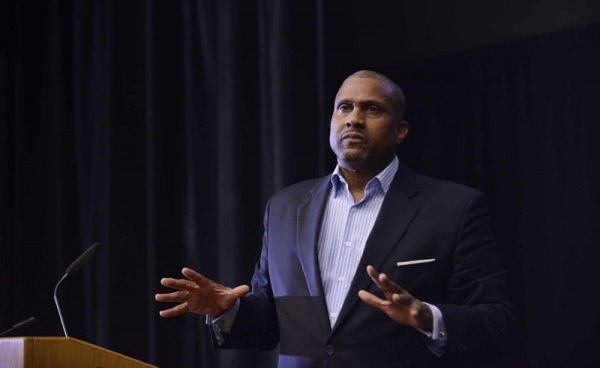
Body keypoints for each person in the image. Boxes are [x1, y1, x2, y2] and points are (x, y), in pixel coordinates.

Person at [155, 70, 515, 367]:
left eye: (372, 109)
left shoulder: (454, 207)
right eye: (345, 107)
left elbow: (497, 320)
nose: (354, 119)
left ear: (400, 130)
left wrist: (427, 317)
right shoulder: (285, 206)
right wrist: (229, 310)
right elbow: (269, 322)